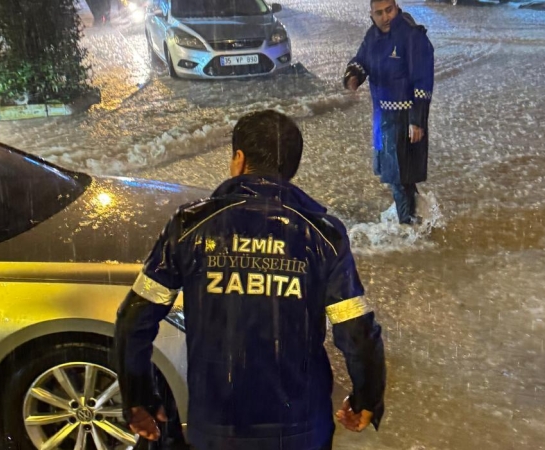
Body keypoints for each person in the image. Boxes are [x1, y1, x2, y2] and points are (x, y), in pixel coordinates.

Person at [114, 110, 386, 450]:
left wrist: (137, 396)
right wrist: (366, 397)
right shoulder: (324, 235)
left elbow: (132, 320)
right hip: (301, 426)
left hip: (217, 423)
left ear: (239, 160)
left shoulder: (190, 226)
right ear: (290, 170)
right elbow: (358, 332)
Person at [344, 0, 435, 225]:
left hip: (405, 121)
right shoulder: (372, 36)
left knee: (398, 178)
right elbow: (361, 60)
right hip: (382, 119)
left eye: (389, 10)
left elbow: (422, 83)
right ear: (371, 15)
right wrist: (353, 75)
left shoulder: (413, 37)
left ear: (396, 8)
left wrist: (417, 121)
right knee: (399, 178)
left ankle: (407, 228)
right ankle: (418, 220)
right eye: (380, 13)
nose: (386, 17)